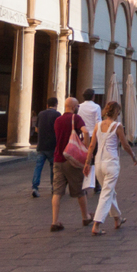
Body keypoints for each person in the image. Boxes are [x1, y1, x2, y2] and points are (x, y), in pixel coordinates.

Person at [86, 100, 137, 234]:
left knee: (109, 192)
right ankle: (96, 224)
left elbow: (91, 146)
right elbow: (125, 145)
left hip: (98, 163)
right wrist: (133, 155)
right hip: (111, 163)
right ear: (116, 112)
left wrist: (87, 163)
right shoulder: (117, 126)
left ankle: (117, 218)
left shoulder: (98, 125)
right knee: (106, 193)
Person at [50, 98, 89, 232]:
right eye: (77, 105)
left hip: (58, 158)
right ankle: (85, 217)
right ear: (73, 107)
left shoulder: (58, 120)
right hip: (71, 159)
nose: (78, 107)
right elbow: (86, 131)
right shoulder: (76, 118)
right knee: (80, 190)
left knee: (57, 192)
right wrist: (86, 145)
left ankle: (55, 221)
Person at [30, 96, 61, 198]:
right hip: (52, 145)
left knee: (38, 167)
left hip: (41, 145)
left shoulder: (41, 114)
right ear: (56, 105)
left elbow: (37, 129)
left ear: (47, 105)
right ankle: (53, 187)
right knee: (53, 168)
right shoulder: (57, 115)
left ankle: (35, 187)